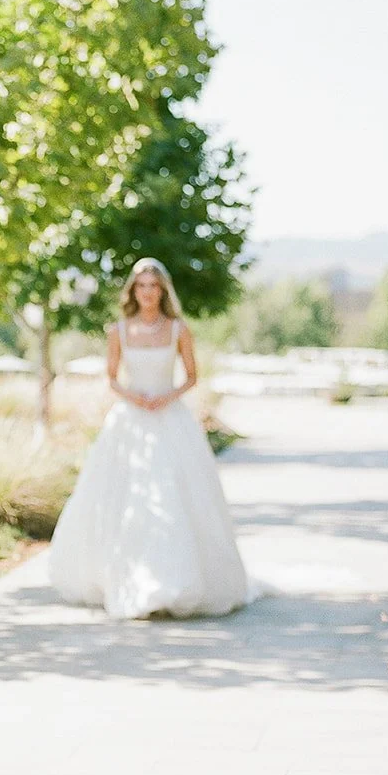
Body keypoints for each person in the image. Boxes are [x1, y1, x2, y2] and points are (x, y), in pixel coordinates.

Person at [49, 257, 249, 619]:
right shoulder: (119, 331)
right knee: (127, 498)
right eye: (141, 286)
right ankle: (129, 579)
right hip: (130, 420)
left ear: (162, 290)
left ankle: (177, 580)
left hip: (170, 418)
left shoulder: (177, 330)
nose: (147, 292)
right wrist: (134, 397)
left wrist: (166, 397)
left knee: (174, 495)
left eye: (153, 286)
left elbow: (191, 376)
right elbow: (111, 378)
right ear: (133, 291)